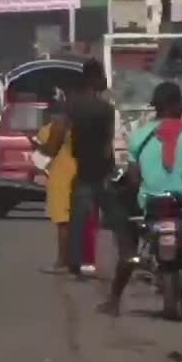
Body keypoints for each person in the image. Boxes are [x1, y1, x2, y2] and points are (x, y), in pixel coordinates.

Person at [98, 81, 182, 315]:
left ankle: (114, 299)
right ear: (175, 104)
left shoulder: (139, 136)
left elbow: (133, 178)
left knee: (129, 249)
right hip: (181, 202)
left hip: (150, 202)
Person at [39, 60, 128, 278]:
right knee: (116, 219)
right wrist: (110, 169)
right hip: (101, 169)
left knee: (77, 219)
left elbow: (57, 136)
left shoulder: (71, 106)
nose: (105, 80)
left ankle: (73, 264)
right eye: (102, 76)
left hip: (81, 168)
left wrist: (46, 149)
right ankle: (128, 256)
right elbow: (107, 143)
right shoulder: (106, 109)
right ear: (94, 78)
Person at [34, 88, 78, 274]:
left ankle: (62, 262)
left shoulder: (59, 123)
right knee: (74, 219)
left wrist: (38, 146)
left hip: (63, 173)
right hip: (79, 171)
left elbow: (50, 149)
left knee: (63, 221)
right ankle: (75, 260)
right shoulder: (79, 122)